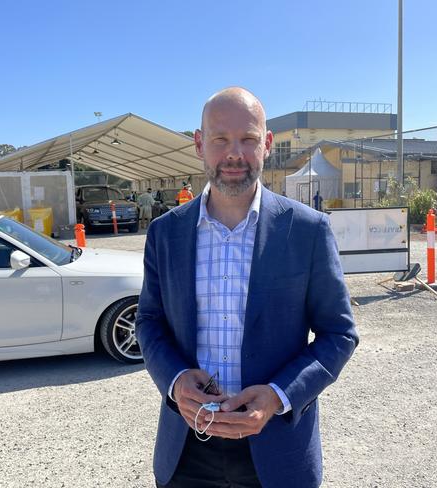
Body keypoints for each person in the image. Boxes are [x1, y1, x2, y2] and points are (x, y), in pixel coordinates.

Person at [137, 87, 358, 488]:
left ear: (267, 144)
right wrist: (174, 379)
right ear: (200, 144)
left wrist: (277, 395)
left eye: (248, 139)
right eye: (220, 140)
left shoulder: (307, 231)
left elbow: (339, 334)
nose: (234, 154)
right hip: (186, 453)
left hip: (277, 454)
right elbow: (149, 321)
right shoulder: (165, 233)